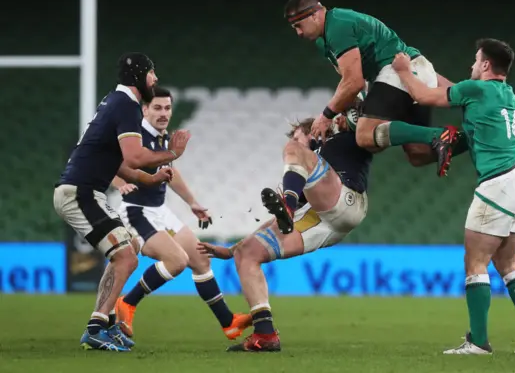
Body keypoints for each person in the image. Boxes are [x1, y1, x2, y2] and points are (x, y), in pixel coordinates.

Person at [391, 39, 515, 355]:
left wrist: (404, 71)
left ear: (486, 64)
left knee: (475, 263)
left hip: (499, 183)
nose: (472, 66)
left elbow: (422, 96)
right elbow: (469, 107)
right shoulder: (508, 94)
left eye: (476, 60)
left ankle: (478, 342)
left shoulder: (475, 90)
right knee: (507, 261)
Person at [53, 53, 191, 351]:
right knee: (127, 256)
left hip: (82, 190)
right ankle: (96, 327)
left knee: (131, 248)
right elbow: (134, 157)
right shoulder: (127, 105)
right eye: (152, 73)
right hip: (81, 192)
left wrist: (150, 179)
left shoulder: (114, 102)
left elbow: (117, 162)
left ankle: (107, 321)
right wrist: (172, 154)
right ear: (140, 76)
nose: (155, 78)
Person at [198, 115, 372, 352]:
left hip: (345, 199)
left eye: (299, 137)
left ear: (314, 132)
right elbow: (281, 222)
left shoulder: (344, 138)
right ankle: (265, 334)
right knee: (247, 254)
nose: (296, 142)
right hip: (320, 220)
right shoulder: (308, 180)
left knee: (293, 153)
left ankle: (287, 205)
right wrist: (232, 250)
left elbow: (374, 130)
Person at [111, 87, 252, 341]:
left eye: (167, 108)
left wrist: (192, 203)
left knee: (200, 260)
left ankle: (228, 323)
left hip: (160, 211)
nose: (163, 113)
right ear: (145, 109)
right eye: (157, 108)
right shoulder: (135, 136)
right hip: (136, 212)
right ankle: (127, 303)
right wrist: (120, 184)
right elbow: (106, 162)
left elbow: (170, 172)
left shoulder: (164, 137)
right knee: (176, 261)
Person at [283, 0, 467, 176]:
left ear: (314, 15)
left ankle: (438, 135)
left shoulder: (337, 26)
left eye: (299, 25)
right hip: (408, 72)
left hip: (400, 70)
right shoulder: (325, 39)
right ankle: (476, 140)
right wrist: (349, 111)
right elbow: (355, 83)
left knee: (364, 135)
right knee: (418, 154)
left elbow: (353, 81)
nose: (298, 33)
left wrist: (326, 116)